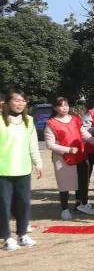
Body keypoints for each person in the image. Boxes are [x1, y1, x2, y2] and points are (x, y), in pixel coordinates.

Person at [1, 91, 43, 251]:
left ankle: (22, 234)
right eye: (16, 100)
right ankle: (6, 237)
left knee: (24, 204)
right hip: (3, 171)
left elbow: (32, 145)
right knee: (4, 205)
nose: (19, 103)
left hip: (23, 169)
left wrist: (38, 163)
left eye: (23, 101)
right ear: (8, 102)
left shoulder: (29, 121)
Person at [45, 96, 93, 220]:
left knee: (83, 182)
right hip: (61, 157)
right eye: (61, 105)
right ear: (55, 108)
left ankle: (82, 204)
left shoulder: (75, 119)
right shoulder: (51, 123)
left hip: (79, 154)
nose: (65, 108)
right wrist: (68, 150)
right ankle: (65, 209)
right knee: (64, 184)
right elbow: (50, 144)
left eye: (66, 105)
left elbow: (83, 132)